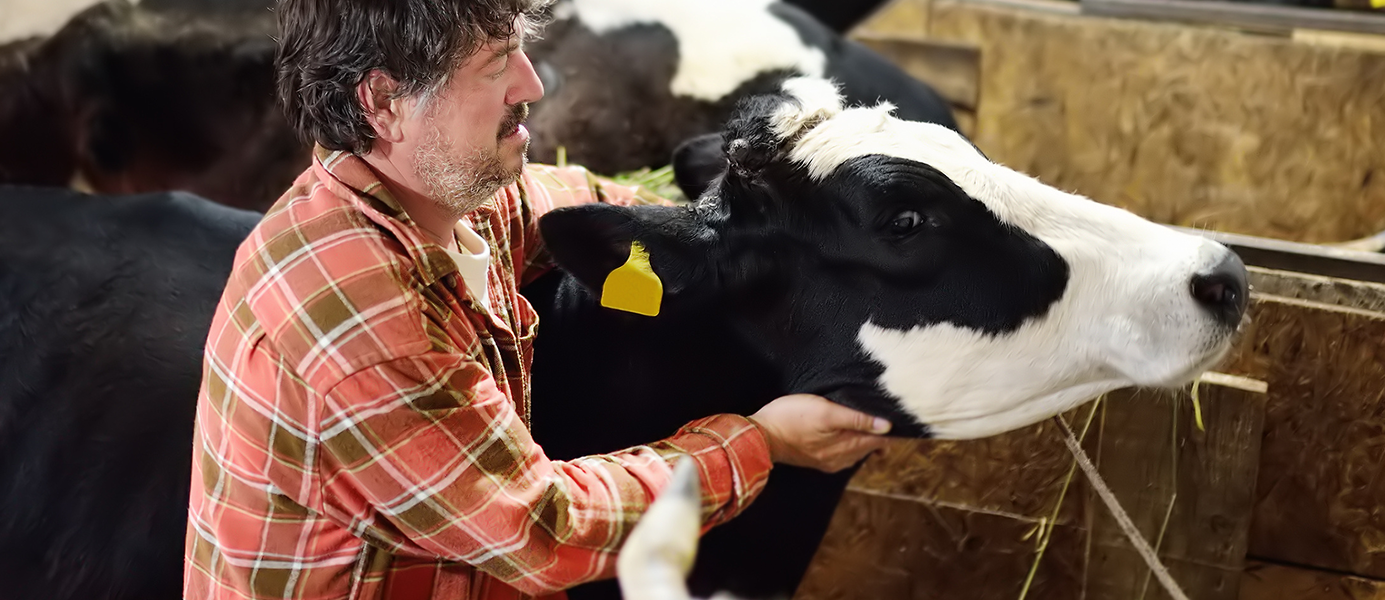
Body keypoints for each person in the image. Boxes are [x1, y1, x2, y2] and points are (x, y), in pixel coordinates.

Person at [182, 0, 893, 598]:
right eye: (496, 65)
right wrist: (762, 442)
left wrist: (718, 229)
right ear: (384, 101)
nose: (532, 84)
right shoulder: (365, 324)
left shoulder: (439, 198)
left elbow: (570, 198)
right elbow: (541, 530)